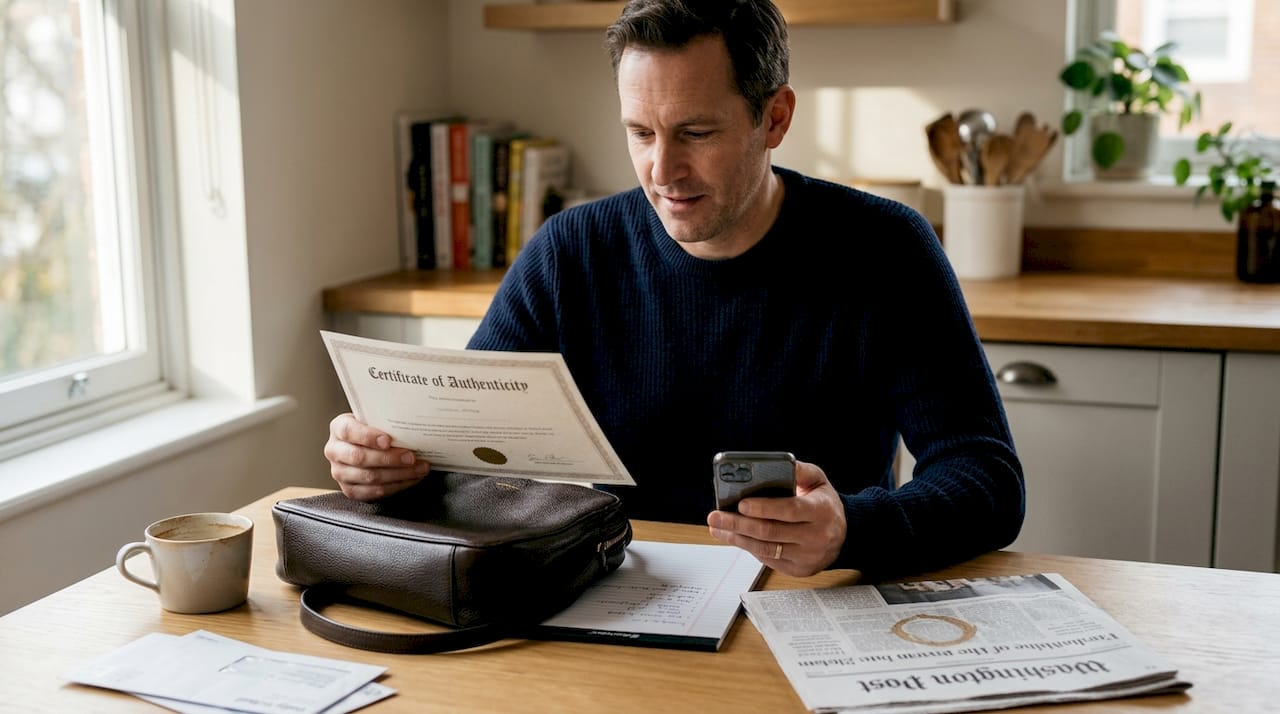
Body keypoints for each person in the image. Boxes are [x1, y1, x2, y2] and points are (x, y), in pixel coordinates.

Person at [325, 0, 1024, 581]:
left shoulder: (884, 248)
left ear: (775, 118)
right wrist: (391, 467)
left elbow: (986, 477)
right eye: (640, 132)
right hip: (620, 597)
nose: (663, 170)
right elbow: (463, 454)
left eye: (696, 132)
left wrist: (851, 527)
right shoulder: (571, 252)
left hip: (814, 603)